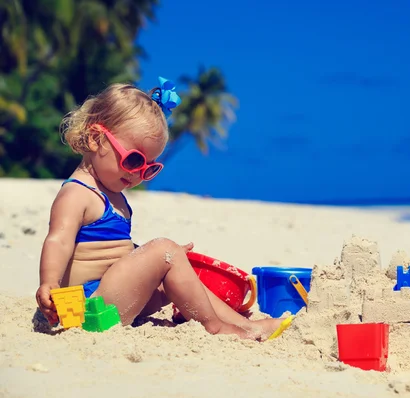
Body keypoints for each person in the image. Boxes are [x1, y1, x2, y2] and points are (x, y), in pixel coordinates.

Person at [35, 77, 285, 340]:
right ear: (97, 139)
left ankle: (244, 325)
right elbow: (58, 240)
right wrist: (49, 283)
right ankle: (217, 327)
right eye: (133, 160)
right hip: (85, 306)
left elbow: (116, 253)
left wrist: (165, 258)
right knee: (164, 250)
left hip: (112, 297)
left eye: (149, 169)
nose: (137, 175)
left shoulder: (113, 195)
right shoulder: (77, 193)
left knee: (177, 274)